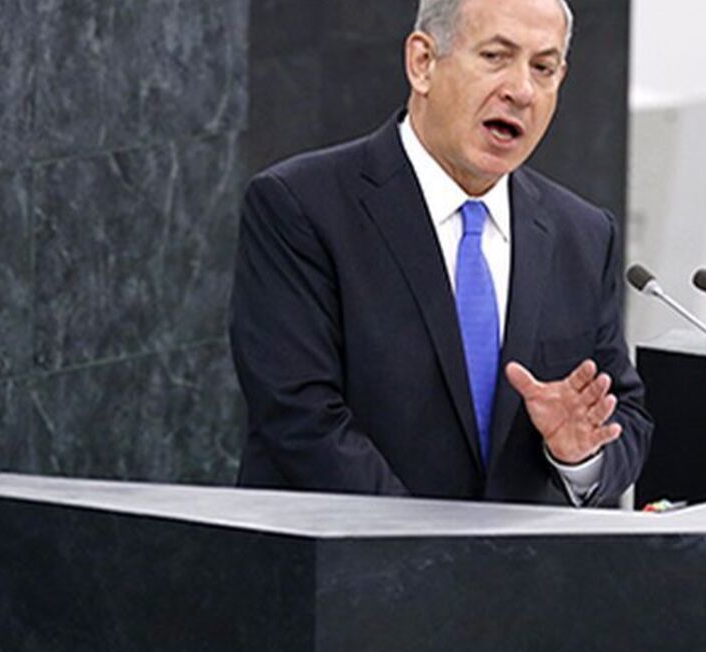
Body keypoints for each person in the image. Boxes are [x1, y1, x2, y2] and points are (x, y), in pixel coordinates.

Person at [229, 0, 653, 506]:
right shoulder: (301, 206)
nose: (520, 90)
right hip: (345, 571)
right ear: (423, 63)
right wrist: (436, 558)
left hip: (521, 574)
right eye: (496, 56)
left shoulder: (581, 234)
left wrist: (577, 456)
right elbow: (300, 418)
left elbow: (622, 414)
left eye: (542, 68)